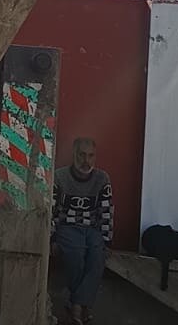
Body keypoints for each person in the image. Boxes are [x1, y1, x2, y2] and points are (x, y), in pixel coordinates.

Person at [52, 137, 113, 324]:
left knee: (97, 256)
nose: (86, 161)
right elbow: (51, 210)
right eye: (82, 155)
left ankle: (76, 303)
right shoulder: (59, 177)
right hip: (67, 227)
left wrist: (107, 241)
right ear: (74, 154)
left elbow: (106, 211)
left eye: (91, 156)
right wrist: (51, 238)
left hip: (92, 229)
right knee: (76, 254)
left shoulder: (102, 179)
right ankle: (82, 306)